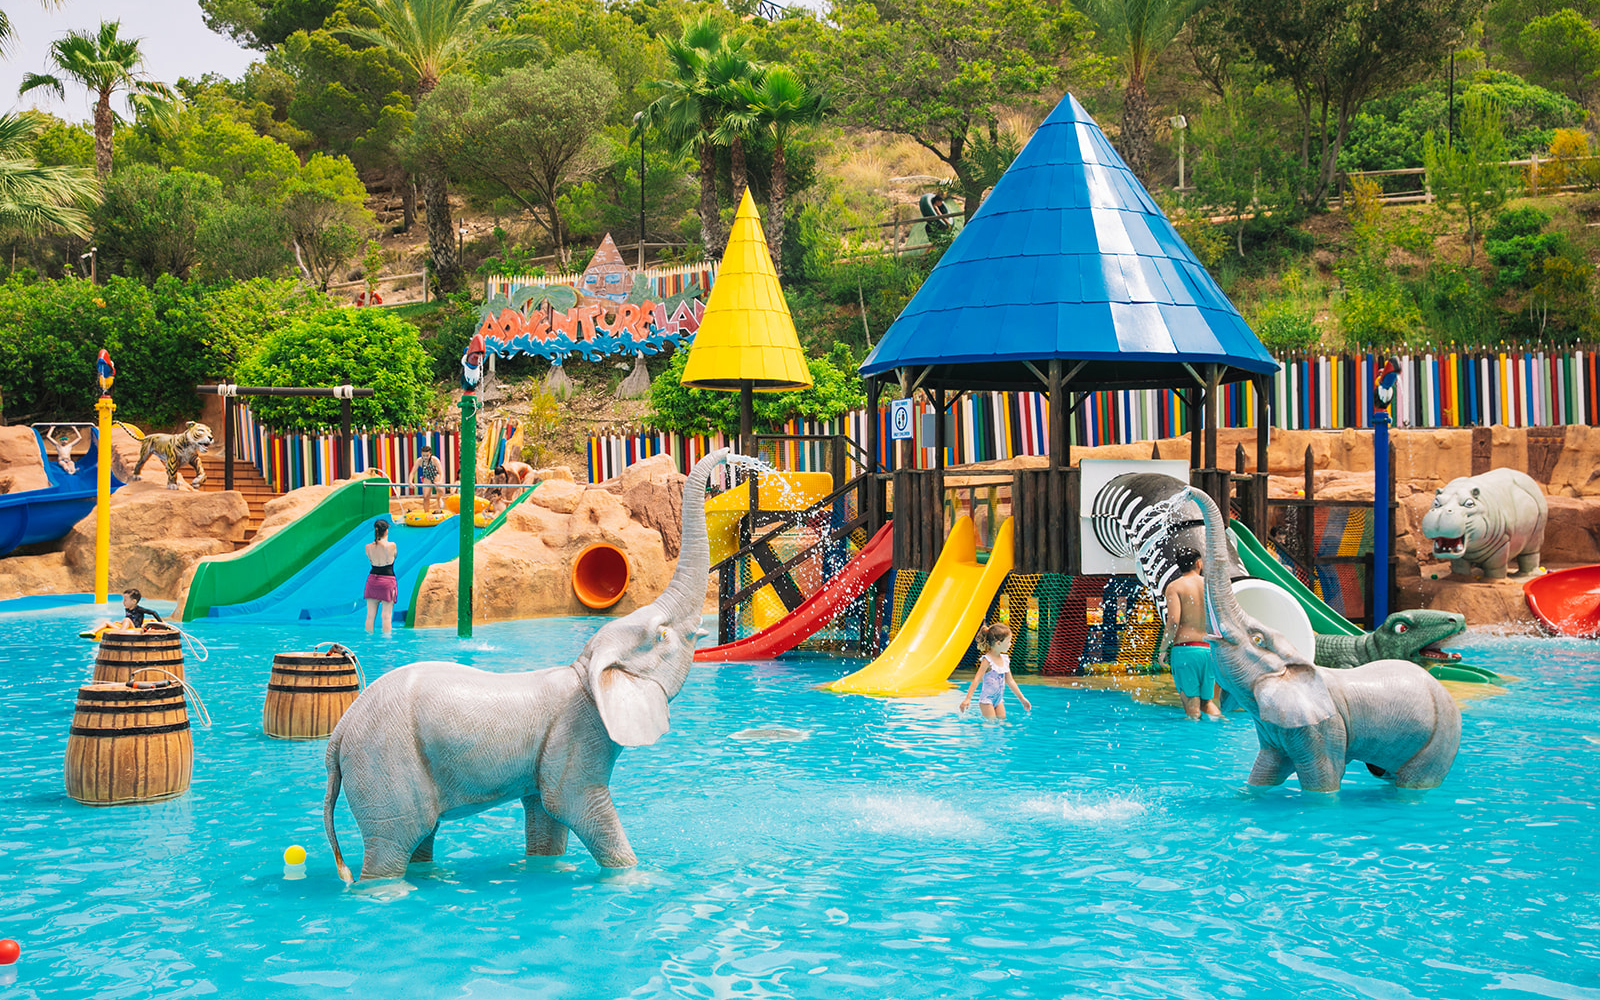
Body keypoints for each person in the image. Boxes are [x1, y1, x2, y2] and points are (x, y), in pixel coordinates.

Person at [1161, 551, 1223, 720]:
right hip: (1209, 649)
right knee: (1207, 703)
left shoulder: (1175, 587)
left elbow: (1173, 621)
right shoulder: (1210, 585)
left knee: (1192, 705)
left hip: (1186, 650)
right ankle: (1222, 729)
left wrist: (1163, 649)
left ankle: (1194, 745)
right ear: (1198, 563)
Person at [959, 622, 1031, 720]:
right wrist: (968, 699)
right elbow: (976, 679)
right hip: (986, 700)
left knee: (1002, 721)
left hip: (998, 700)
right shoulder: (987, 660)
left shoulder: (1005, 659)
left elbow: (1010, 681)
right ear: (998, 643)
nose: (1010, 644)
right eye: (1008, 641)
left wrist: (1022, 699)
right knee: (991, 724)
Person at [364, 519, 398, 635]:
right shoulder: (392, 545)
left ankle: (368, 639)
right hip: (387, 581)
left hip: (372, 580)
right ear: (387, 530)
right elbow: (393, 556)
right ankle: (386, 643)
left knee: (369, 616)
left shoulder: (368, 547)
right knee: (386, 616)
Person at [408, 446, 443, 513]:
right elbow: (412, 472)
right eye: (423, 455)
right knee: (426, 496)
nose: (425, 457)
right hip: (427, 477)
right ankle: (426, 512)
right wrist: (410, 482)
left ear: (430, 454)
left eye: (427, 455)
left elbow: (441, 473)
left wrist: (440, 481)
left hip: (436, 475)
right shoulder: (419, 461)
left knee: (440, 490)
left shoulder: (435, 460)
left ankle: (439, 498)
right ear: (421, 454)